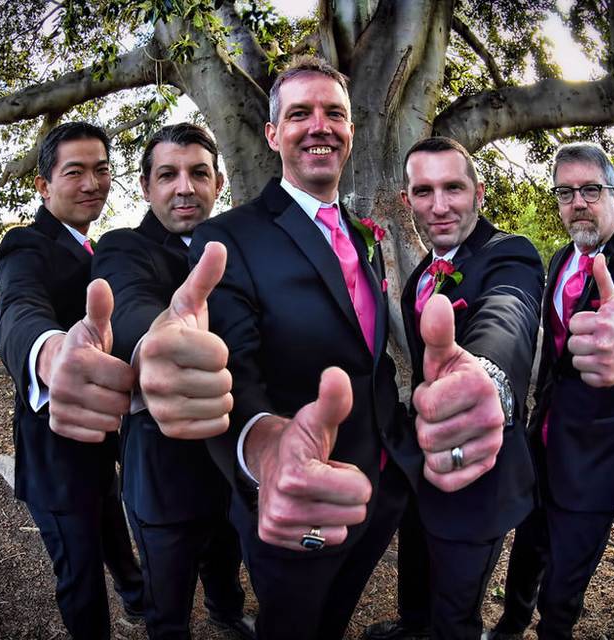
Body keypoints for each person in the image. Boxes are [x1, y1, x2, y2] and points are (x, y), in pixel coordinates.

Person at [137, 56, 507, 640]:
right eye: (300, 113)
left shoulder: (363, 235)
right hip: (295, 496)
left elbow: (367, 354)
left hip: (382, 485)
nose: (319, 126)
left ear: (352, 131)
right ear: (272, 133)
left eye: (335, 113)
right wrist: (263, 450)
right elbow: (236, 371)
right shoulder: (228, 237)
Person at [486, 142, 614, 640]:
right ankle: (510, 626)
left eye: (591, 189)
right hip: (542, 446)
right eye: (566, 191)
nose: (578, 201)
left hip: (599, 458)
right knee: (526, 551)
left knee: (565, 584)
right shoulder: (558, 259)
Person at [364, 137, 544, 640]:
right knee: (417, 562)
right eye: (424, 191)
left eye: (453, 188)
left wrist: (488, 376)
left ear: (479, 193)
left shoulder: (511, 254)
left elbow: (509, 311)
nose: (439, 206)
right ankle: (412, 624)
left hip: (478, 471)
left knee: (456, 611)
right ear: (406, 202)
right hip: (420, 462)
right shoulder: (419, 274)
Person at [92, 123, 254, 640]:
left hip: (236, 460)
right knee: (169, 606)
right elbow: (131, 300)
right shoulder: (123, 247)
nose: (184, 187)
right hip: (163, 470)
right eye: (168, 175)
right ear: (145, 186)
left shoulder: (243, 246)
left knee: (227, 567)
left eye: (198, 173)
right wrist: (152, 342)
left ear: (219, 181)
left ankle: (229, 616)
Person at [0, 121, 144, 639]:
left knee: (114, 534)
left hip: (104, 444)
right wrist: (50, 353)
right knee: (79, 573)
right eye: (74, 172)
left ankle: (138, 599)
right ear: (43, 185)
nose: (92, 184)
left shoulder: (98, 247)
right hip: (54, 456)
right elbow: (18, 309)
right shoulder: (25, 245)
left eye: (102, 170)